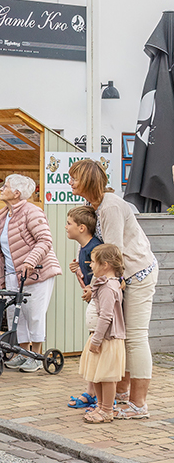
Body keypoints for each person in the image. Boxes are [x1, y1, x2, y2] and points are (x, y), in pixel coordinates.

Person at [69, 158, 157, 419]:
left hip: (136, 274)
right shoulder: (92, 206)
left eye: (74, 178)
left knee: (135, 337)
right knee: (121, 335)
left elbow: (112, 254)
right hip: (119, 278)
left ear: (88, 181)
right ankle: (120, 394)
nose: (71, 182)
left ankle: (138, 405)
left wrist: (97, 287)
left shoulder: (110, 207)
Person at [0, 174, 61, 372]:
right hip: (13, 273)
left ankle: (36, 357)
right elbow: (1, 244)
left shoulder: (32, 212)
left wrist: (30, 261)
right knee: (17, 313)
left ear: (16, 193)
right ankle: (23, 354)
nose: (1, 189)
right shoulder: (5, 214)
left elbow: (45, 241)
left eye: (5, 186)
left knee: (34, 314)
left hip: (36, 273)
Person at [79, 244, 127, 424]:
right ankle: (100, 405)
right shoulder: (104, 284)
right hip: (99, 337)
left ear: (105, 265)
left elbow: (107, 316)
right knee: (96, 374)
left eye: (92, 261)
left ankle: (107, 410)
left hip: (106, 339)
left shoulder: (109, 287)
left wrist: (97, 340)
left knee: (106, 376)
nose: (90, 265)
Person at [65, 205, 103, 410]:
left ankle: (99, 395)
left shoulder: (94, 248)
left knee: (96, 347)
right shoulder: (84, 248)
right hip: (93, 301)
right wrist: (79, 270)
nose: (65, 227)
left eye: (69, 223)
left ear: (81, 228)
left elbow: (103, 274)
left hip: (100, 304)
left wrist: (91, 288)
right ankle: (92, 391)